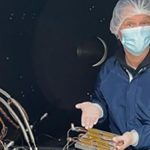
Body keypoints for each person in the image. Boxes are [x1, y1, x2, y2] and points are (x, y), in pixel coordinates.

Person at [75, 0, 150, 149]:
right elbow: (102, 100)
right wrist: (97, 109)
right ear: (117, 32)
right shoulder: (109, 69)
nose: (138, 30)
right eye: (130, 24)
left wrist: (135, 137)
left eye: (145, 23)